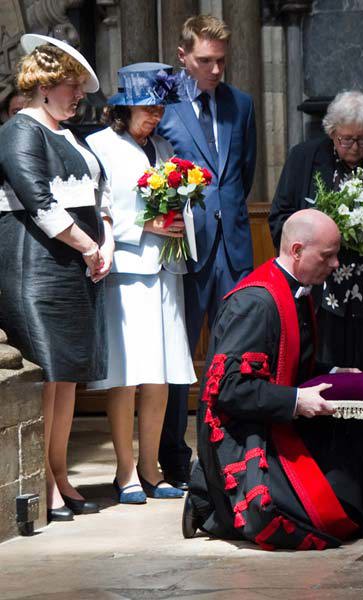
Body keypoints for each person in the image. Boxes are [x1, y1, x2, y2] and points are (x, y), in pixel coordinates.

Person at [182, 209, 363, 558]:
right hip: (248, 433)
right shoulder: (256, 303)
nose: (335, 265)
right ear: (297, 251)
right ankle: (211, 501)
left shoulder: (298, 290)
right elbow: (226, 389)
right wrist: (297, 401)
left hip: (278, 415)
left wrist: (332, 373)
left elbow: (291, 363)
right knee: (320, 517)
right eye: (327, 256)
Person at [0, 34, 111, 521]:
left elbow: (98, 195)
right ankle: (43, 479)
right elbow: (37, 200)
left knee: (65, 376)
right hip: (36, 265)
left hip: (74, 265)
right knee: (47, 373)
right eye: (71, 86)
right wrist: (89, 248)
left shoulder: (70, 135)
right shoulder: (20, 129)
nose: (79, 96)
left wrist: (104, 242)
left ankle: (60, 473)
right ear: (43, 85)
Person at [86, 63, 197, 504]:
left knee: (161, 376)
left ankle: (152, 469)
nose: (156, 117)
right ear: (125, 107)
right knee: (126, 374)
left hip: (167, 271)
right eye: (148, 108)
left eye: (160, 108)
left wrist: (177, 222)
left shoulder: (165, 147)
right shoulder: (99, 146)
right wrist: (145, 225)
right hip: (127, 273)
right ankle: (125, 471)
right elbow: (99, 211)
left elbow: (180, 203)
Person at [156, 14, 258, 490]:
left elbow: (243, 171)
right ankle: (173, 455)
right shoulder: (165, 105)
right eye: (204, 61)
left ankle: (226, 450)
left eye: (221, 61)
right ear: (183, 58)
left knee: (231, 353)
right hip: (184, 246)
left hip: (233, 248)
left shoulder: (242, 105)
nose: (215, 70)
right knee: (179, 353)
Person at [268, 91, 363, 375]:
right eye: (347, 139)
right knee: (325, 375)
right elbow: (280, 218)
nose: (356, 147)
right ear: (331, 132)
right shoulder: (304, 158)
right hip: (322, 296)